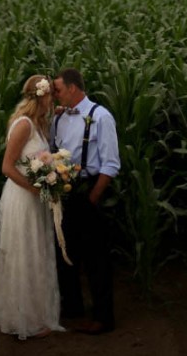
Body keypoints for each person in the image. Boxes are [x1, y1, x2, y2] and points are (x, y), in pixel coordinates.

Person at [0, 74, 65, 340]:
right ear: (42, 96)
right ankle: (24, 317)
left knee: (36, 251)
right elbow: (7, 167)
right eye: (52, 95)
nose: (54, 99)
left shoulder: (39, 124)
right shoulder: (23, 125)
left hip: (35, 198)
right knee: (24, 254)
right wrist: (35, 189)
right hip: (22, 198)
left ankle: (34, 312)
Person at [51, 67, 121, 335]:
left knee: (96, 259)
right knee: (65, 253)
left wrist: (92, 198)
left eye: (57, 89)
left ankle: (103, 317)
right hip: (62, 192)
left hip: (87, 191)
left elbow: (111, 164)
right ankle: (73, 308)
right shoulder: (59, 118)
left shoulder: (100, 117)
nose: (55, 95)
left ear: (72, 88)